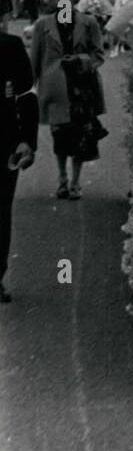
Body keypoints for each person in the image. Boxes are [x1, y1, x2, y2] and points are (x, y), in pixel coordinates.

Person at [29, 0, 107, 200]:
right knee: (60, 136)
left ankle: (75, 182)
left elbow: (98, 56)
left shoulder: (89, 23)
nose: (62, 0)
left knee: (80, 136)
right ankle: (62, 179)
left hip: (81, 89)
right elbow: (34, 61)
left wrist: (80, 60)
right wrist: (30, 90)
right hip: (55, 89)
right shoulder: (43, 26)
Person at [1, 31, 39, 302]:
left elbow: (26, 93)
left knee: (0, 213)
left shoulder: (9, 45)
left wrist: (27, 140)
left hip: (3, 144)